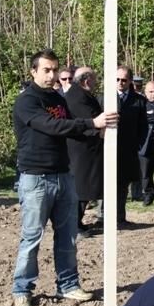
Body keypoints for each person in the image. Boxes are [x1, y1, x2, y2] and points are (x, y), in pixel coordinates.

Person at [11, 49, 118, 306]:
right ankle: (22, 289)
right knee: (32, 237)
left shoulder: (59, 100)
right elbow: (51, 126)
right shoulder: (26, 101)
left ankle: (68, 284)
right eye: (46, 70)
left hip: (63, 175)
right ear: (33, 71)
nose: (51, 75)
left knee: (68, 236)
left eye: (54, 70)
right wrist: (92, 122)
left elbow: (70, 128)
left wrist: (98, 132)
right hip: (36, 178)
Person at [64, 66, 103, 232]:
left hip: (88, 148)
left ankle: (77, 222)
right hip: (82, 149)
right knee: (81, 189)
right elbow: (89, 119)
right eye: (94, 79)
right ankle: (73, 225)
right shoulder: (77, 97)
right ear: (86, 81)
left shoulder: (79, 94)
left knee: (85, 187)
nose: (96, 82)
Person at [115, 66, 149, 225]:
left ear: (130, 81)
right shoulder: (104, 98)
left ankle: (120, 218)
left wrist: (139, 146)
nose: (120, 83)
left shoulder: (139, 101)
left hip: (128, 150)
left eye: (123, 80)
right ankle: (103, 217)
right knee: (105, 184)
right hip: (107, 149)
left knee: (122, 186)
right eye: (117, 79)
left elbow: (143, 126)